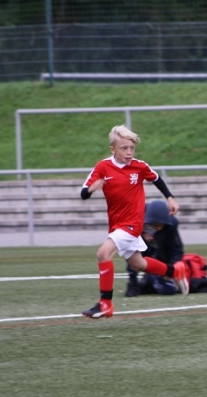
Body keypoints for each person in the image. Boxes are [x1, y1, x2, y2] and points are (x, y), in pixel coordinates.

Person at [80, 125, 188, 319]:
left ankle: (105, 304)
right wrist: (91, 189)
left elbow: (157, 179)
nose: (129, 152)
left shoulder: (139, 166)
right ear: (113, 149)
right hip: (117, 224)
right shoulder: (102, 167)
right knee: (138, 264)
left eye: (132, 148)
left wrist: (170, 198)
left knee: (103, 254)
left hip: (132, 224)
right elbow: (83, 193)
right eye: (124, 148)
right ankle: (174, 271)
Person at [125, 199, 185, 297]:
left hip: (161, 253)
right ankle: (133, 283)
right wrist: (142, 237)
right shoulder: (136, 218)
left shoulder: (171, 224)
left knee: (166, 289)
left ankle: (160, 277)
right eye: (156, 225)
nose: (159, 228)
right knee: (133, 254)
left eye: (161, 226)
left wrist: (171, 270)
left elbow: (177, 250)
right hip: (142, 249)